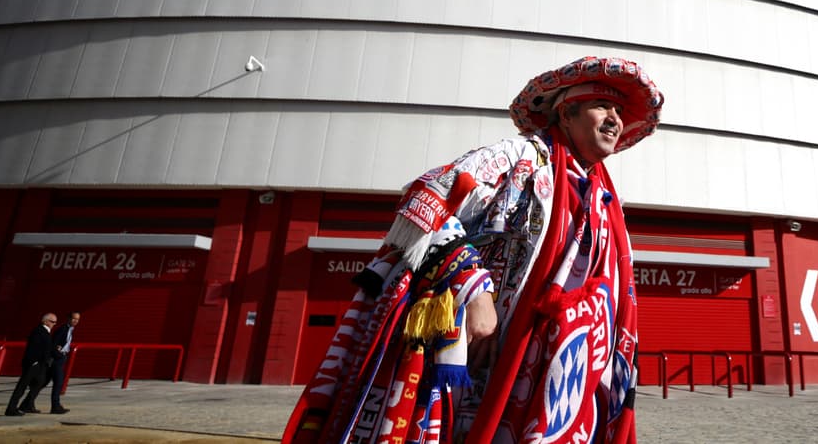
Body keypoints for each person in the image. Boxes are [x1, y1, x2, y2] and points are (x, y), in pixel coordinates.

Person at [283, 56, 664, 444]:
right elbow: (427, 198)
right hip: (489, 357)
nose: (615, 119)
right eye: (602, 106)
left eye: (619, 111)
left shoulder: (603, 198)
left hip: (562, 375)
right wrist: (476, 291)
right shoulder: (521, 159)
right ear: (566, 114)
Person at [4, 312, 56, 416]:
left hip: (41, 365)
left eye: (55, 322)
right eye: (52, 321)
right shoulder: (38, 331)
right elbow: (33, 348)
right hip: (33, 364)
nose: (54, 324)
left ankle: (27, 405)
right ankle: (11, 409)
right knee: (22, 386)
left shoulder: (45, 332)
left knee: (40, 383)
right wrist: (34, 362)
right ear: (45, 321)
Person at [49, 311, 81, 414]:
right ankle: (55, 406)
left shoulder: (70, 329)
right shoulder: (62, 329)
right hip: (57, 358)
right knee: (58, 382)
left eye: (77, 319)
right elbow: (53, 344)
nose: (75, 321)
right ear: (69, 318)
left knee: (42, 382)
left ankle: (27, 403)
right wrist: (59, 354)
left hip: (61, 357)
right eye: (74, 318)